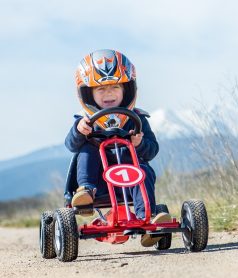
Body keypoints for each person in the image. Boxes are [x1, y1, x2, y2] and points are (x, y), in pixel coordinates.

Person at [65, 49, 170, 247]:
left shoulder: (137, 119)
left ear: (127, 89)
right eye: (100, 89)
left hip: (132, 182)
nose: (109, 93)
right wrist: (79, 132)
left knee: (144, 170)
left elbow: (152, 150)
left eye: (114, 86)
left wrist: (140, 144)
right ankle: (85, 192)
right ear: (88, 93)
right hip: (100, 184)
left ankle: (147, 219)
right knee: (87, 149)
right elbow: (71, 146)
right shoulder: (84, 122)